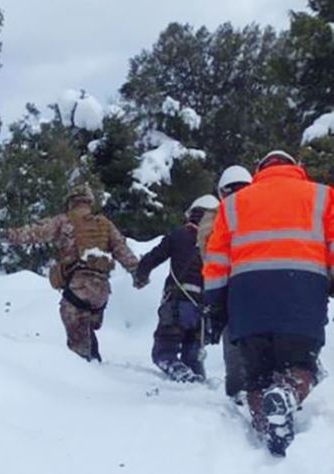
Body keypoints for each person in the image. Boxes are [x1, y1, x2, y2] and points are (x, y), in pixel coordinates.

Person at [202, 150, 333, 456]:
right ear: (296, 168)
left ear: (258, 170)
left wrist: (214, 306)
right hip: (302, 296)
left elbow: (216, 261)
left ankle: (269, 430)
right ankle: (286, 395)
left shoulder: (232, 205)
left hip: (248, 301)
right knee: (301, 365)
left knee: (257, 376)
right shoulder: (323, 196)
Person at [0, 183, 139, 362]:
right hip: (102, 291)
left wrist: (5, 235)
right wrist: (136, 272)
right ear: (90, 201)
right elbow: (122, 250)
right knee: (86, 326)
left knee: (77, 337)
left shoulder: (64, 221)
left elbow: (35, 233)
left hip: (78, 286)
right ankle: (94, 360)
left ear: (71, 201)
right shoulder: (105, 224)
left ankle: (84, 373)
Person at [134, 194, 219, 383]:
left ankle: (182, 375)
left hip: (176, 306)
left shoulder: (179, 234)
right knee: (193, 358)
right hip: (202, 312)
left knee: (163, 353)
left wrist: (140, 276)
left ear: (192, 213)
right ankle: (199, 387)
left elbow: (151, 259)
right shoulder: (217, 243)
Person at [197, 165, 253, 401]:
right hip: (268, 286)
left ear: (222, 192)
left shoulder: (217, 215)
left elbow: (207, 254)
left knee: (235, 341)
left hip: (231, 288)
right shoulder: (264, 209)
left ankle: (239, 391)